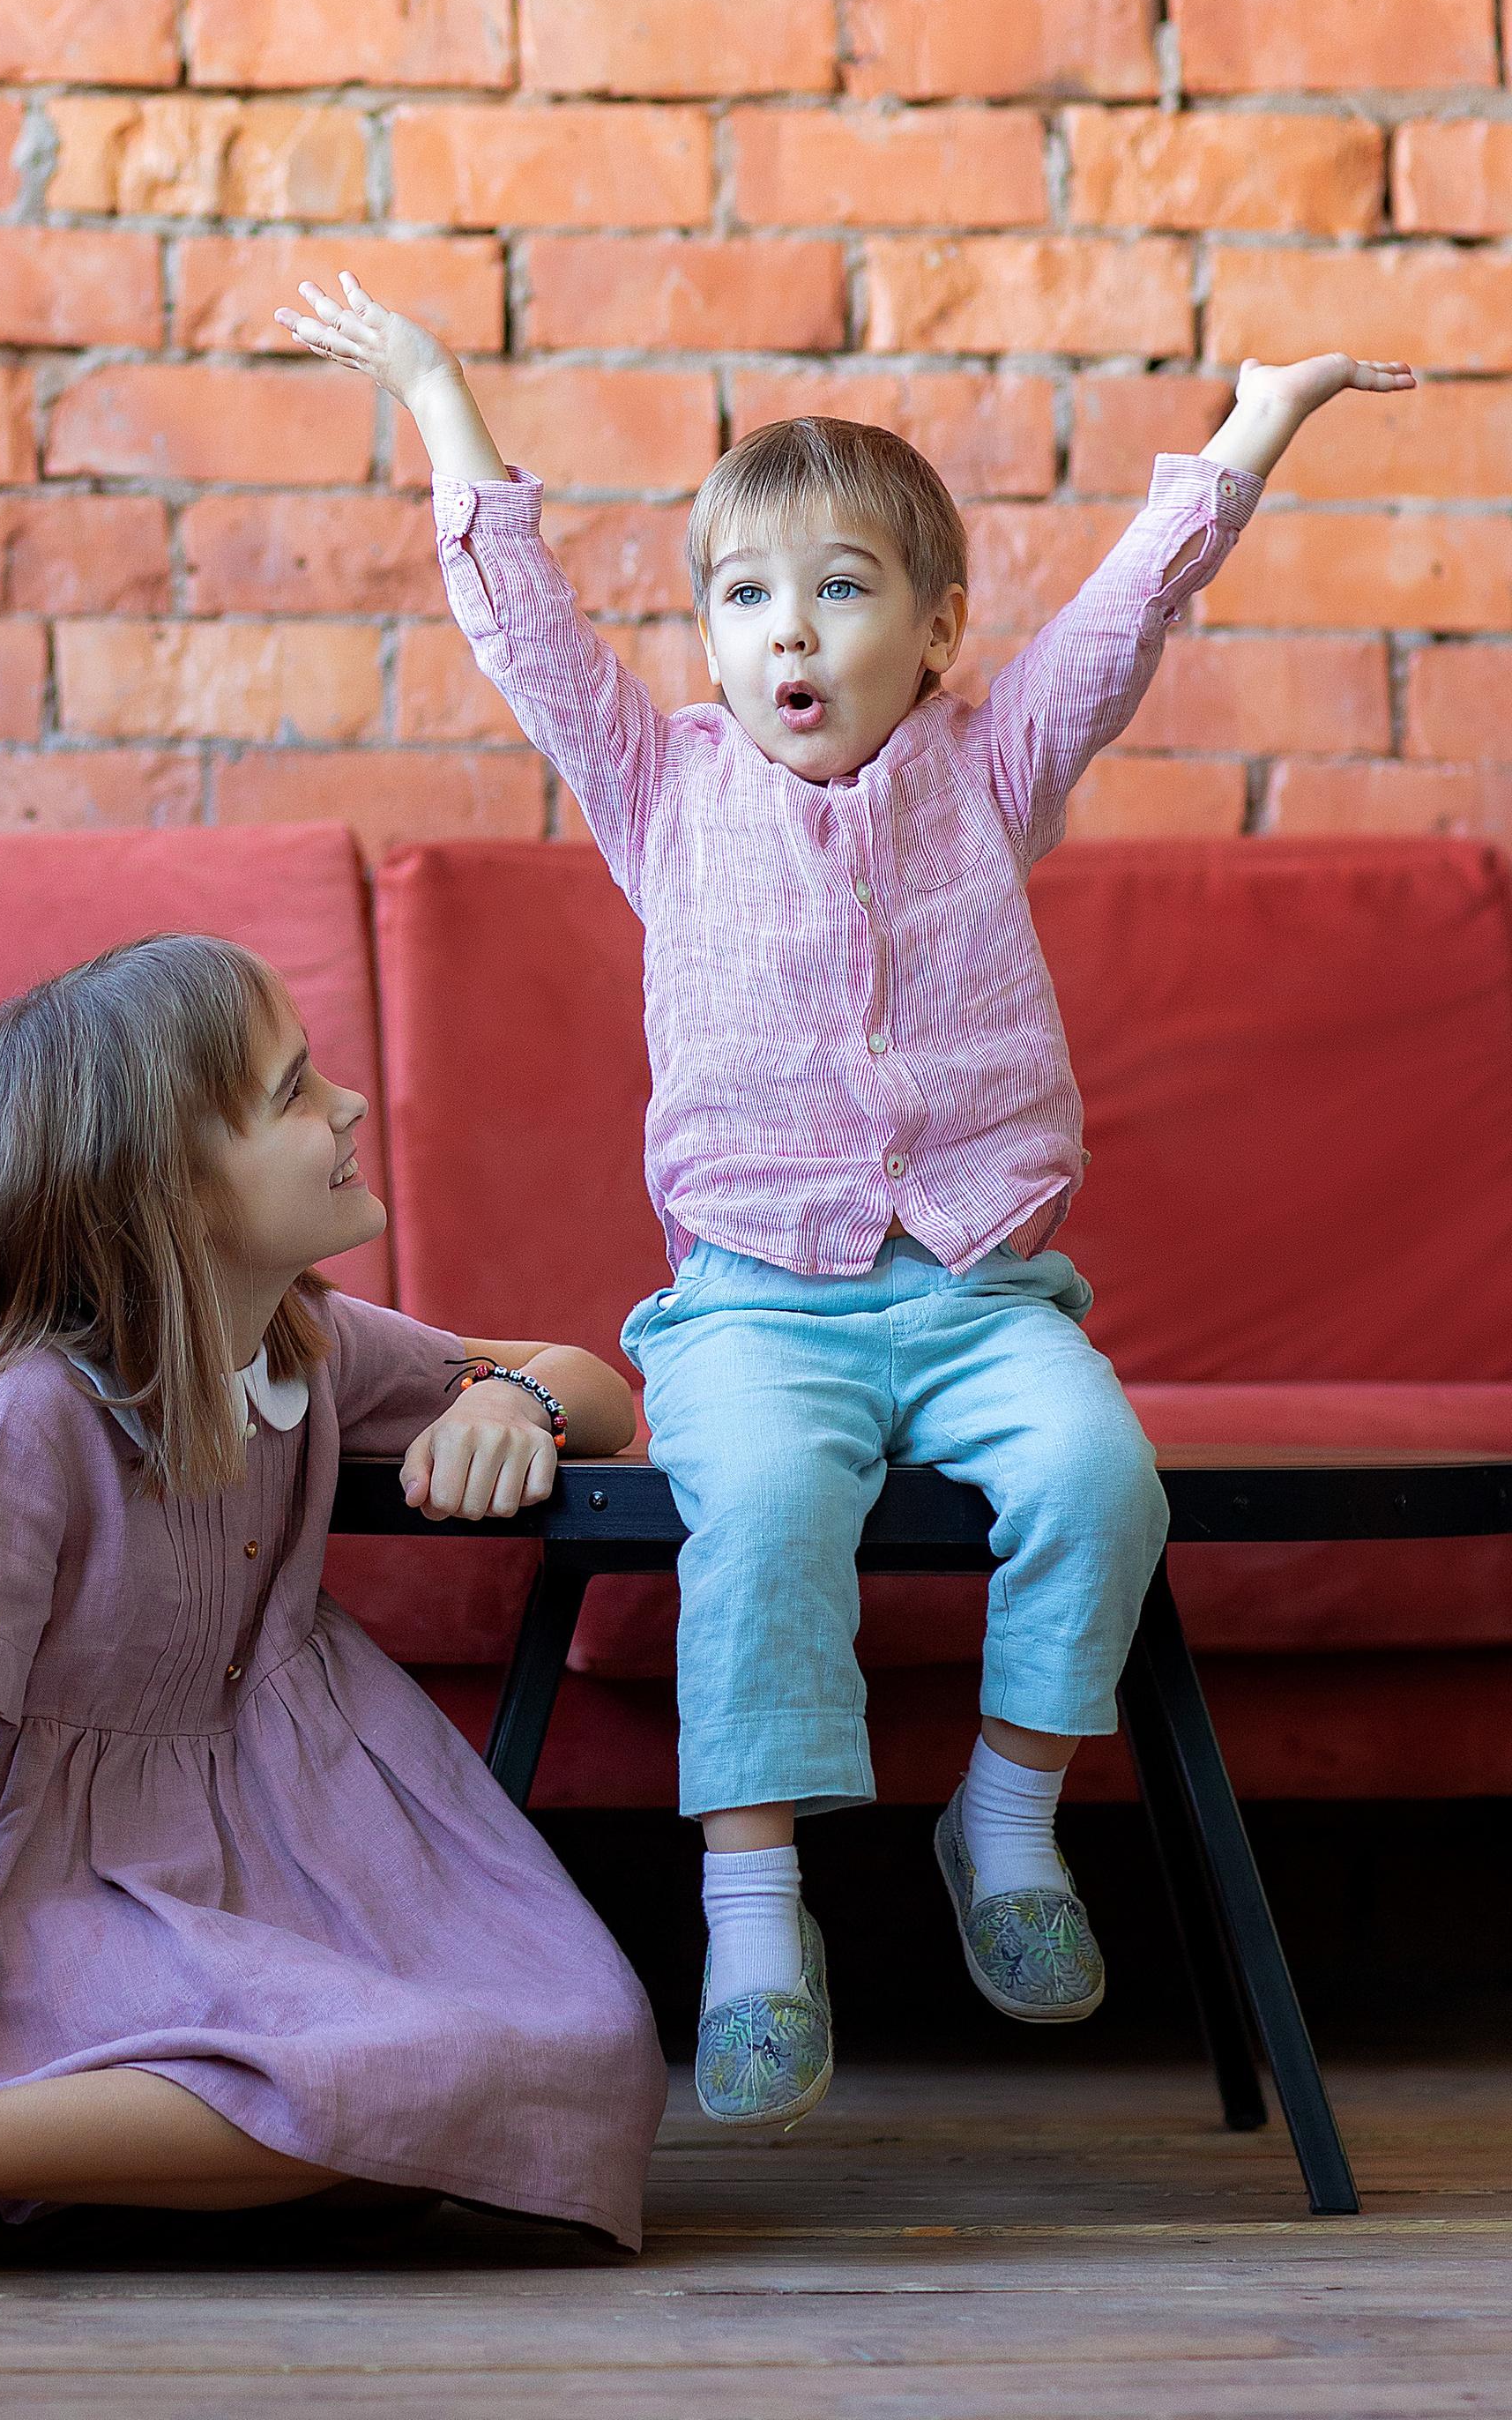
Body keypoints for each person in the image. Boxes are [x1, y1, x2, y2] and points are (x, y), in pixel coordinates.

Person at [279, 272, 1413, 2137]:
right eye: (743, 598)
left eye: (839, 589)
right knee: (760, 1514)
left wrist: (1254, 424)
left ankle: (1005, 1818)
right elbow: (524, 629)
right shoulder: (658, 788)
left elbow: (1127, 611)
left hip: (980, 1298)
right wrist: (429, 388)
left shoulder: (992, 765)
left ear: (937, 629)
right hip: (750, 1309)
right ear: (709, 642)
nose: (787, 631)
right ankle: (752, 1921)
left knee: (1098, 1478)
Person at [0, 934, 664, 2317]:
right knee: (379, 2096)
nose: (347, 1105)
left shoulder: (302, 1342)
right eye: (293, 1092)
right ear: (171, 1194)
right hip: (46, 1885)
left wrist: (515, 1402)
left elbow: (595, 1385)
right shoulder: (22, 1428)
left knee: (585, 2048)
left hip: (280, 1845)